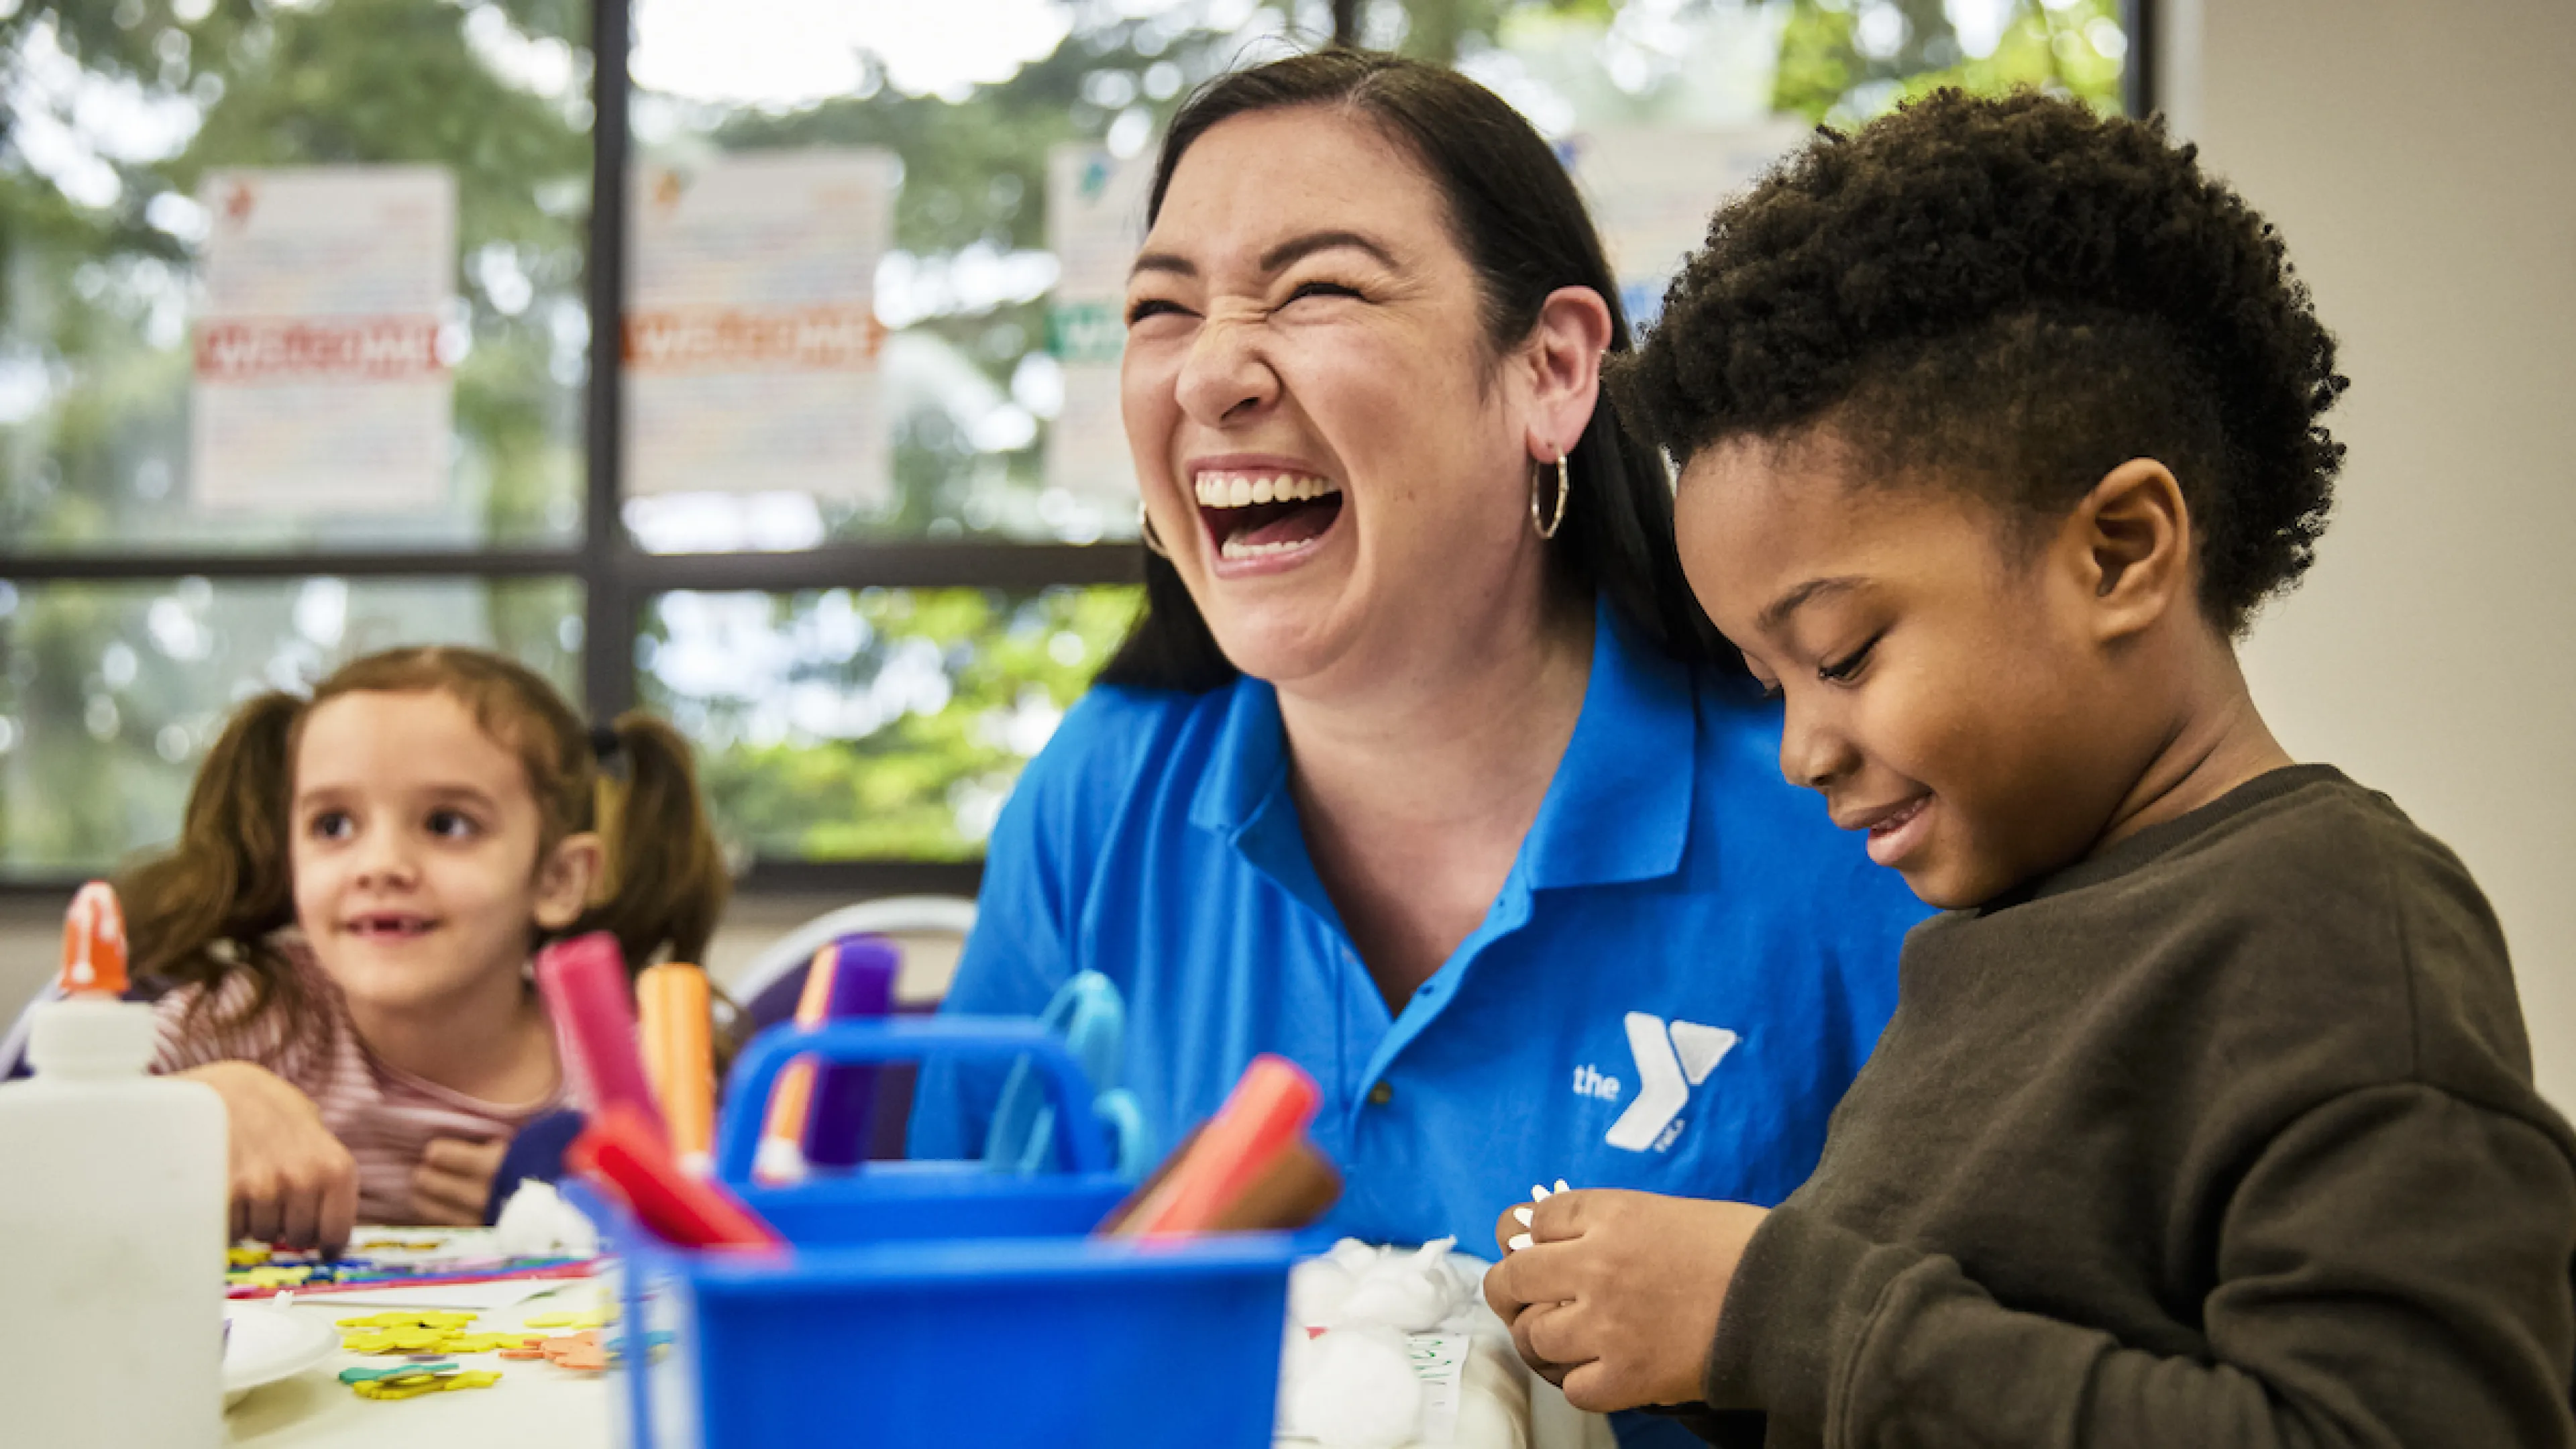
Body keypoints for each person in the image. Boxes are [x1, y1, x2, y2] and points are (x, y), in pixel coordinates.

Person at [1483, 89, 2576, 1446]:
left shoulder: (2333, 922)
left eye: (1843, 653)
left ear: (2117, 552)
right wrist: (1670, 1340)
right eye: (1767, 689)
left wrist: (1773, 1314)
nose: (1802, 751)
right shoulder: (1996, 943)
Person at [911, 53, 1925, 1444]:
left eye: (1316, 287)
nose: (1211, 369)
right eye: (1159, 308)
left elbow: (1996, 1365)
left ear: (1552, 370)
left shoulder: (1841, 812)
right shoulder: (1104, 792)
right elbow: (935, 1304)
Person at [125, 646, 730, 1249]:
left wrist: (563, 1199)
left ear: (558, 879)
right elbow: (50, 1138)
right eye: (332, 825)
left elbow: (723, 1240)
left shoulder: (629, 1063)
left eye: (448, 824)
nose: (380, 865)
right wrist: (198, 1103)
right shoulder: (244, 1023)